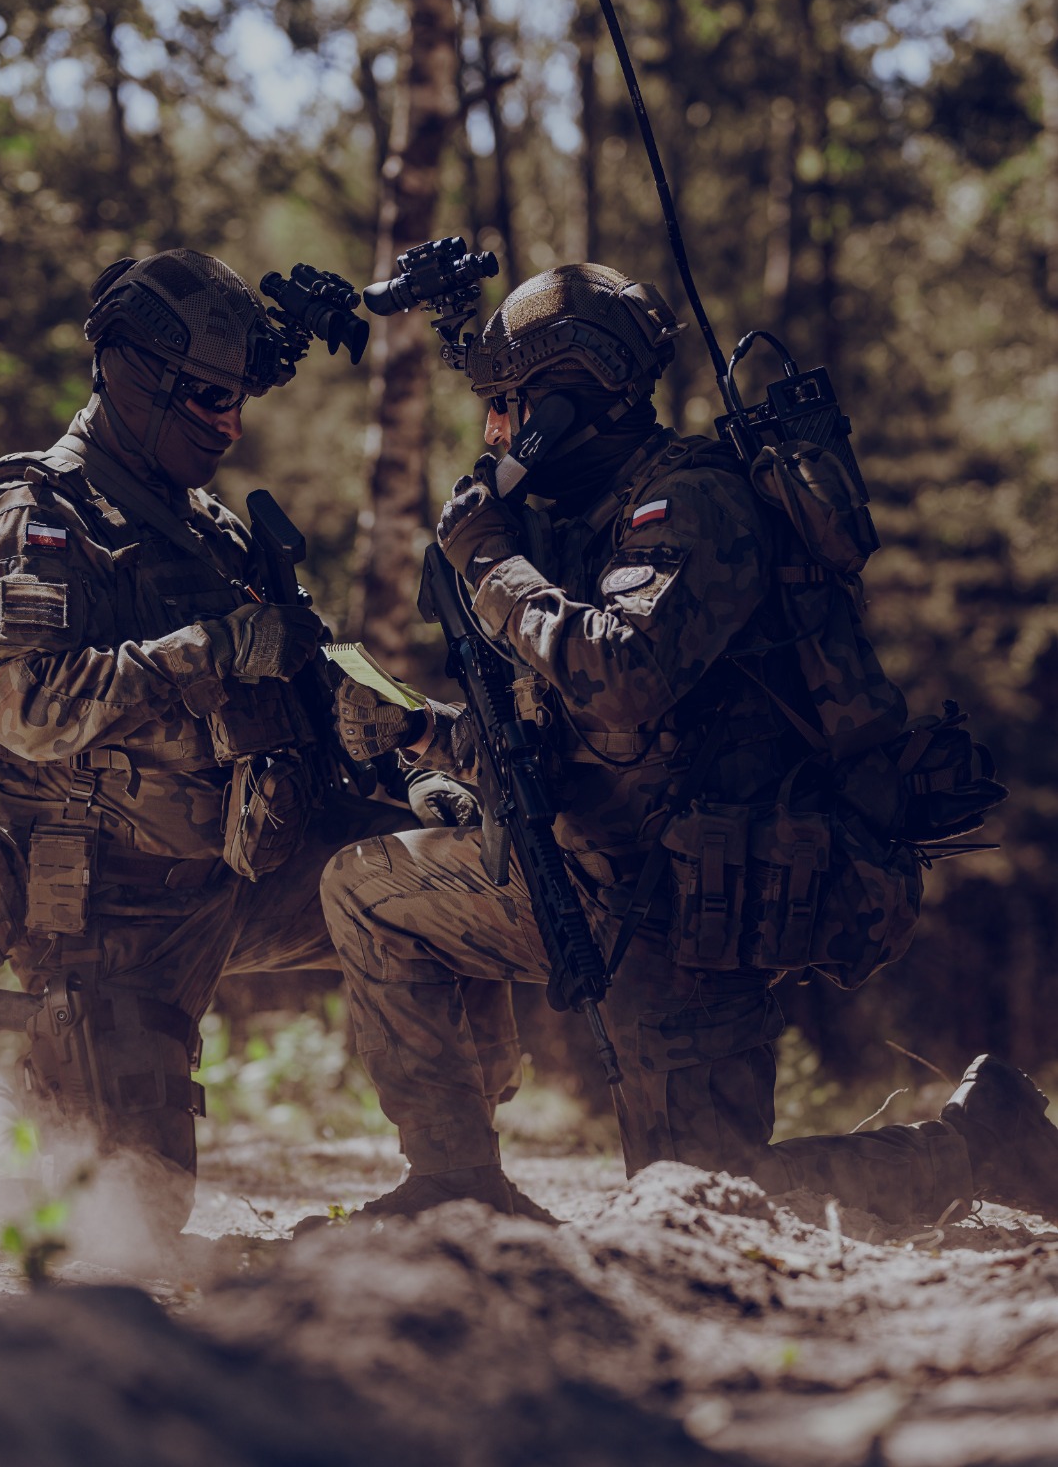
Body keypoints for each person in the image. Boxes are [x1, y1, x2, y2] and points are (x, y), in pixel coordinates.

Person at [320, 261, 1058, 1227]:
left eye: (507, 408)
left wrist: (492, 566)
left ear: (564, 404)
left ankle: (978, 1142)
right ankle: (455, 1185)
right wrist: (426, 732)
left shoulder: (690, 505)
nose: (493, 435)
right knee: (369, 891)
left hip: (692, 908)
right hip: (592, 878)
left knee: (704, 1198)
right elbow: (564, 738)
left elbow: (622, 674)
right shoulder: (577, 525)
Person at [0, 247, 496, 1231]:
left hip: (250, 868)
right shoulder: (37, 515)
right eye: (207, 399)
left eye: (237, 401)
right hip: (116, 909)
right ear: (131, 375)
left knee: (439, 893)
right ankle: (29, 1067)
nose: (229, 425)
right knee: (132, 1219)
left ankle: (459, 1180)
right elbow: (28, 707)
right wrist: (210, 650)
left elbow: (320, 678)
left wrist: (408, 768)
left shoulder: (212, 530)